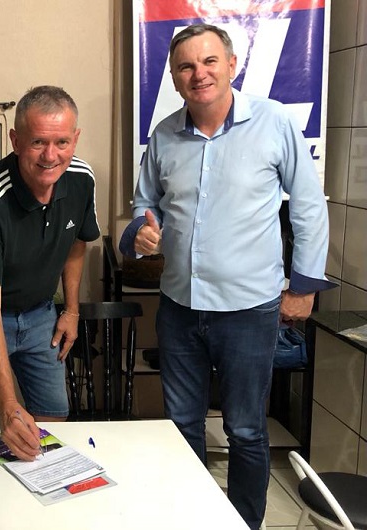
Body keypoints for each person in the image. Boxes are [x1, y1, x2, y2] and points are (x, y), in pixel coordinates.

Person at [119, 24, 334, 530]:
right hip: (179, 307)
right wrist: (139, 234)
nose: (199, 73)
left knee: (246, 430)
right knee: (182, 426)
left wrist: (303, 288)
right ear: (174, 77)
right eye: (186, 66)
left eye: (209, 61)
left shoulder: (274, 122)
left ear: (232, 65)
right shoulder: (164, 135)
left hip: (249, 311)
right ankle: (192, 520)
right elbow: (145, 205)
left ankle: (244, 524)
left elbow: (308, 207)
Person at [0, 86, 100, 461]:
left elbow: (77, 242)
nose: (51, 156)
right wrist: (7, 405)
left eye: (62, 142)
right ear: (15, 141)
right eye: (38, 142)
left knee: (54, 417)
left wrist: (72, 310)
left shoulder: (82, 178)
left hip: (40, 313)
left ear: (75, 138)